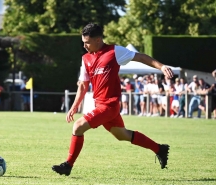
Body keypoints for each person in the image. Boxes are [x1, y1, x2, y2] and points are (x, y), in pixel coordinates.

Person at [52, 23, 174, 176]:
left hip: (109, 105)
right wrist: (74, 106)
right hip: (101, 105)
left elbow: (141, 57)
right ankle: (159, 149)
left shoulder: (114, 51)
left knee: (78, 126)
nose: (84, 46)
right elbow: (83, 85)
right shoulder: (86, 59)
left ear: (98, 40)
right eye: (83, 42)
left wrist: (161, 67)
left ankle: (68, 165)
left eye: (87, 42)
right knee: (122, 135)